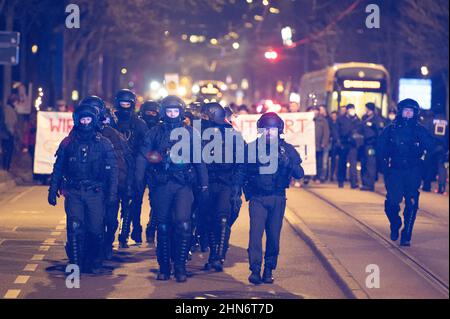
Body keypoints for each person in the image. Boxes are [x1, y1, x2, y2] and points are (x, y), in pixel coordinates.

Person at [134, 95, 208, 282]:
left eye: (176, 111)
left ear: (181, 112)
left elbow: (199, 161)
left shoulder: (191, 133)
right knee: (163, 226)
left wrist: (204, 184)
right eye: (169, 111)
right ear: (163, 112)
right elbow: (143, 157)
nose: (172, 114)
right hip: (161, 184)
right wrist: (138, 181)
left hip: (183, 184)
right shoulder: (154, 133)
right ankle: (164, 267)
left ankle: (181, 266)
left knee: (183, 224)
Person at [48, 103, 118, 273]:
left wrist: (112, 194)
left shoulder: (104, 143)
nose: (85, 122)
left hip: (95, 192)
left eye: (88, 119)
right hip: (74, 191)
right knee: (74, 227)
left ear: (93, 121)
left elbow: (113, 171)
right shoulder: (68, 143)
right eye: (82, 119)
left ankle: (95, 260)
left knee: (95, 230)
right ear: (77, 121)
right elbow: (58, 167)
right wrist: (52, 189)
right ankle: (75, 263)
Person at [242, 112, 304, 285]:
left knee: (273, 236)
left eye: (273, 130)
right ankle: (255, 269)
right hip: (258, 198)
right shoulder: (252, 148)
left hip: (277, 197)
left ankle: (269, 269)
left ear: (279, 131)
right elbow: (241, 172)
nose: (269, 133)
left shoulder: (287, 149)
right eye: (266, 129)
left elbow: (300, 174)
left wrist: (288, 162)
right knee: (255, 235)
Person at [78, 96, 134, 259]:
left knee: (109, 220)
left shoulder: (112, 134)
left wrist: (124, 186)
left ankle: (107, 244)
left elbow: (126, 161)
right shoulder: (75, 135)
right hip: (86, 186)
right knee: (83, 221)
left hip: (110, 185)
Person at [377, 99, 436, 247]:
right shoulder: (390, 129)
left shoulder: (420, 130)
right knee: (391, 202)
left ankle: (407, 234)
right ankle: (395, 223)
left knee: (412, 202)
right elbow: (380, 149)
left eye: (411, 111)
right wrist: (385, 167)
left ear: (415, 113)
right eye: (405, 110)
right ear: (400, 111)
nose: (408, 113)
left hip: (413, 170)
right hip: (395, 170)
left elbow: (432, 148)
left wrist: (425, 166)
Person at [200, 102, 244, 272]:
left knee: (223, 219)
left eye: (205, 117)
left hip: (226, 183)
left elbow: (241, 163)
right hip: (207, 183)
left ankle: (219, 255)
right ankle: (213, 255)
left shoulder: (233, 136)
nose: (202, 119)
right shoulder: (199, 134)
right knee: (209, 220)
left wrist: (236, 186)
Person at [114, 89, 148, 246]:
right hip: (114, 166)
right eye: (122, 104)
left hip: (134, 167)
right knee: (113, 200)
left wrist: (140, 167)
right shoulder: (112, 121)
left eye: (128, 104)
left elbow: (145, 146)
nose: (125, 107)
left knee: (133, 200)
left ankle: (127, 231)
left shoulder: (140, 124)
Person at [136, 100, 162, 244]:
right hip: (139, 165)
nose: (151, 115)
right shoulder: (137, 125)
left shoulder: (160, 129)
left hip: (155, 168)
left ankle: (152, 226)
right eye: (148, 112)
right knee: (135, 199)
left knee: (157, 201)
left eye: (154, 113)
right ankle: (134, 229)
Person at [360, 102, 385, 191]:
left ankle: (370, 184)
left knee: (371, 164)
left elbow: (379, 131)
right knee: (364, 163)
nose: (365, 110)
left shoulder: (377, 119)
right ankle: (365, 182)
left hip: (372, 144)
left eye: (367, 108)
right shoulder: (364, 118)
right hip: (364, 144)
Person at [422, 112, 448, 194]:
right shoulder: (447, 122)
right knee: (441, 167)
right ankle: (442, 187)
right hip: (442, 147)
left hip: (432, 146)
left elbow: (425, 133)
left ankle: (426, 186)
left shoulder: (431, 120)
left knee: (428, 166)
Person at [336, 104, 362, 188]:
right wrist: (338, 141)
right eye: (350, 109)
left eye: (353, 109)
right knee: (342, 163)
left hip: (353, 144)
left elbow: (360, 131)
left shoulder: (357, 119)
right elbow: (337, 131)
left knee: (353, 164)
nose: (352, 111)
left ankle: (353, 182)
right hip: (343, 143)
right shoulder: (341, 119)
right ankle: (341, 181)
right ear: (347, 110)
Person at [1, 95, 18, 171]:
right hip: (7, 134)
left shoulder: (10, 109)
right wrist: (11, 133)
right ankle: (6, 167)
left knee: (8, 151)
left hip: (8, 134)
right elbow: (8, 122)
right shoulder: (8, 109)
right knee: (7, 151)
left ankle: (6, 167)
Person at [328, 111, 340, 182]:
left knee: (338, 161)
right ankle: (331, 175)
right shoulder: (330, 123)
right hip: (332, 144)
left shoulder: (339, 124)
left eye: (335, 116)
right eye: (332, 116)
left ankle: (336, 175)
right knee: (332, 160)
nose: (334, 117)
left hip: (338, 143)